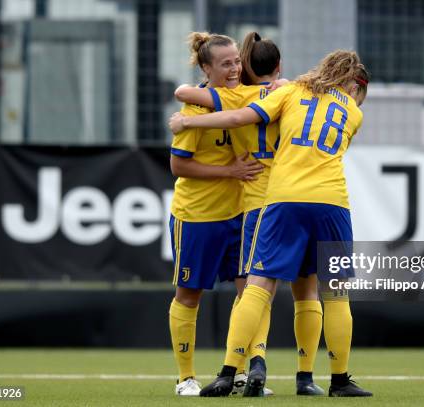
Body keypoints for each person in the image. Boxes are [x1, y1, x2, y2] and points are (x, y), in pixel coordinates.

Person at [169, 49, 373, 398]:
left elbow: (233, 117)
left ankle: (228, 371)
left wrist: (187, 122)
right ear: (354, 86)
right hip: (331, 202)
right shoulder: (353, 112)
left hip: (280, 199)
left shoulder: (291, 92)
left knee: (257, 285)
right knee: (334, 293)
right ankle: (334, 379)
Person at [168, 31, 264, 397]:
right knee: (189, 295)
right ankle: (185, 377)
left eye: (237, 61)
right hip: (197, 217)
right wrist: (231, 172)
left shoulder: (244, 99)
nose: (235, 68)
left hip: (239, 215)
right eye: (226, 64)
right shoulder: (194, 111)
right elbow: (178, 166)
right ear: (206, 68)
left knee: (248, 294)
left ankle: (236, 372)